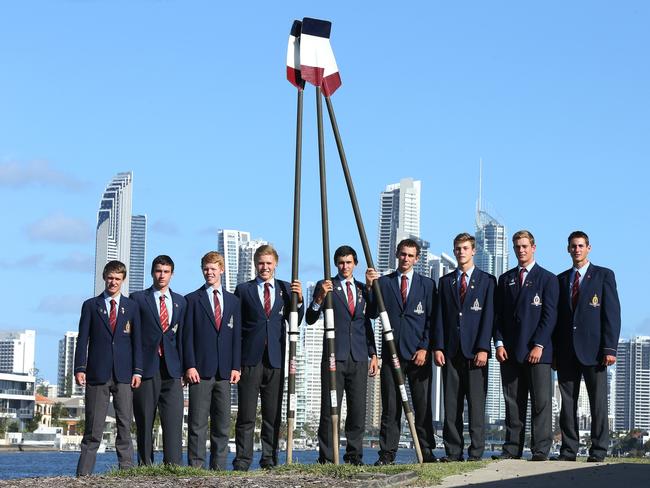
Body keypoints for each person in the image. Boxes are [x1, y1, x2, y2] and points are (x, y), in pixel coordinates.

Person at [366, 238, 437, 465]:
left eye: (410, 255)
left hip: (419, 356)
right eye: (402, 254)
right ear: (397, 255)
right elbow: (372, 313)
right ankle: (387, 454)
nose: (405, 259)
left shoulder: (427, 285)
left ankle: (426, 451)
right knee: (391, 407)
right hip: (391, 354)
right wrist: (370, 288)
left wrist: (425, 347)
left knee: (422, 406)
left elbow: (431, 321)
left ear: (417, 258)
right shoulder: (384, 283)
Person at [306, 245, 379, 465]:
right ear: (336, 264)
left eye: (348, 262)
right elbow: (310, 317)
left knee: (358, 410)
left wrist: (373, 354)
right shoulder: (326, 285)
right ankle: (326, 456)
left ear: (355, 264)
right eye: (341, 262)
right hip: (333, 356)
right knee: (329, 408)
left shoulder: (361, 289)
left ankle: (354, 456)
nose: (344, 266)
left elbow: (370, 319)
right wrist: (319, 297)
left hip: (358, 356)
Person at [232, 245, 303, 471]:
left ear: (275, 264)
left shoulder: (285, 288)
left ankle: (269, 459)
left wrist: (299, 301)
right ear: (255, 264)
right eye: (261, 263)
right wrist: (236, 364)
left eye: (268, 263)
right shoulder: (243, 290)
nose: (265, 267)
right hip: (249, 360)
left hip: (275, 359)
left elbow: (295, 322)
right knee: (246, 415)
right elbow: (236, 329)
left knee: (272, 415)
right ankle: (243, 461)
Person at [552, 231, 621, 462]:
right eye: (573, 246)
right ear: (568, 249)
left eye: (581, 246)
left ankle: (599, 450)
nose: (577, 250)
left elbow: (612, 314)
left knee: (598, 403)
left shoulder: (604, 276)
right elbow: (556, 319)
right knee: (567, 404)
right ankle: (568, 450)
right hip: (566, 352)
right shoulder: (560, 280)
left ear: (589, 248)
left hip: (595, 352)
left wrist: (610, 349)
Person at [493, 230, 558, 461]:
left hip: (539, 353)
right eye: (517, 247)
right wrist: (499, 343)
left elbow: (549, 316)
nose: (521, 250)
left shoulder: (548, 279)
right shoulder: (506, 279)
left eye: (524, 246)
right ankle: (512, 449)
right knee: (513, 403)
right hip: (510, 352)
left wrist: (539, 344)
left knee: (541, 403)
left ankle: (540, 450)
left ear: (533, 247)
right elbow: (498, 315)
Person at [74, 260, 142, 476]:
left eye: (117, 278)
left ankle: (126, 472)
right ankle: (84, 474)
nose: (113, 282)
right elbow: (82, 339)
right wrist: (80, 367)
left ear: (123, 280)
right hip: (97, 373)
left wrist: (137, 370)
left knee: (124, 425)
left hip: (124, 374)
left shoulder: (131, 307)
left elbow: (137, 341)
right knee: (93, 427)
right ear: (104, 278)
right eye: (110, 278)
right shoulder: (90, 305)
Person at [433, 233, 496, 462]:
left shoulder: (487, 281)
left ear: (473, 251)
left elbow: (489, 316)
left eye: (465, 248)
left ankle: (476, 452)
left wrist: (483, 348)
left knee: (476, 406)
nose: (461, 252)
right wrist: (438, 347)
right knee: (451, 406)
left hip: (476, 353)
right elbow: (439, 317)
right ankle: (453, 452)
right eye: (458, 248)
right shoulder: (445, 282)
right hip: (450, 352)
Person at [183, 251, 242, 470]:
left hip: (225, 372)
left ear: (221, 270)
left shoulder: (233, 301)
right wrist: (189, 365)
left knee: (223, 424)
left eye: (213, 268)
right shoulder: (192, 299)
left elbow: (236, 337)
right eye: (206, 269)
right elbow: (186, 336)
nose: (209, 272)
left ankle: (219, 468)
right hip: (199, 370)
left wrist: (236, 366)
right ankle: (196, 467)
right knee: (197, 424)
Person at [131, 255, 186, 466]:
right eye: (158, 271)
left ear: (172, 274)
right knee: (144, 420)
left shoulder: (181, 302)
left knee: (173, 421)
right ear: (152, 272)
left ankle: (173, 466)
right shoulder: (138, 299)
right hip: (146, 368)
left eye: (166, 271)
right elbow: (132, 336)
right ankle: (145, 464)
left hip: (173, 370)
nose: (161, 275)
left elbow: (183, 337)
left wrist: (184, 367)